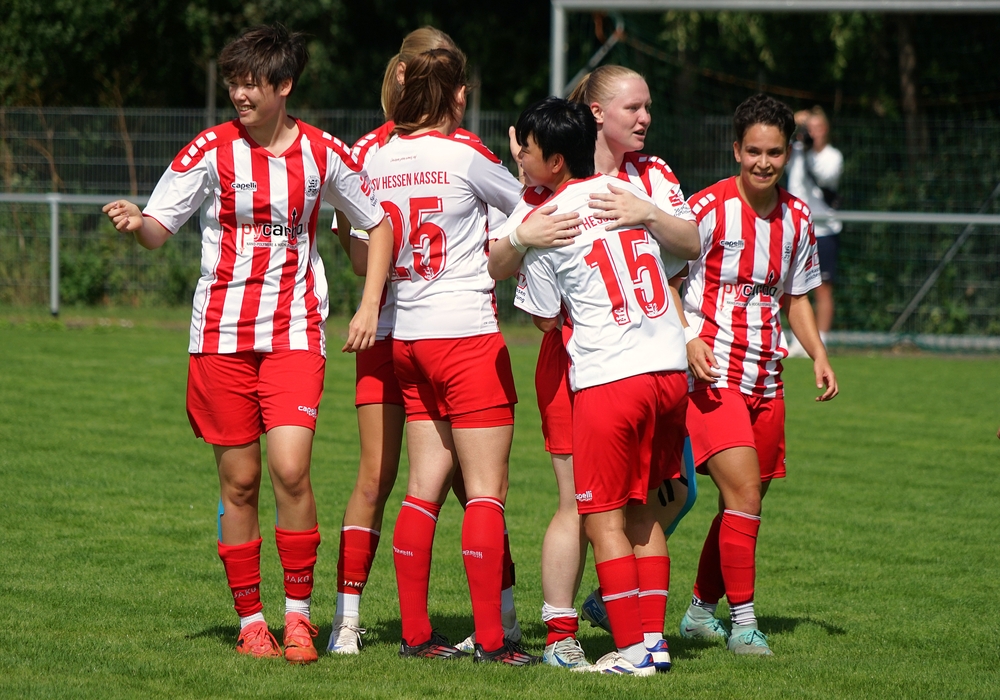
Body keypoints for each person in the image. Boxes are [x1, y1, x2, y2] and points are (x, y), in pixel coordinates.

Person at [102, 25, 392, 664]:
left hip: (294, 334)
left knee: (290, 469)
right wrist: (137, 222)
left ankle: (298, 619)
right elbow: (159, 228)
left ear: (284, 86)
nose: (239, 94)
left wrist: (370, 303)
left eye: (251, 83)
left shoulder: (323, 152)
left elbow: (378, 223)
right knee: (240, 481)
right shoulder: (210, 149)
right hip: (220, 338)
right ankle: (251, 622)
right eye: (233, 82)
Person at [490, 65, 700, 669]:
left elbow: (540, 315)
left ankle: (629, 647)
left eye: (528, 150)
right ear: (597, 117)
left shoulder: (565, 208)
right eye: (634, 107)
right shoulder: (596, 192)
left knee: (604, 511)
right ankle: (634, 641)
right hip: (661, 363)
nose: (645, 118)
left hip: (608, 370)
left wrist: (530, 240)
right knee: (625, 509)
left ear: (553, 157)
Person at [326, 25, 520, 658]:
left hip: (403, 332)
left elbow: (363, 250)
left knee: (423, 485)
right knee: (476, 489)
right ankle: (494, 636)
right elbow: (526, 217)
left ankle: (422, 630)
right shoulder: (463, 152)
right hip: (451, 331)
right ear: (455, 91)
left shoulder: (374, 157)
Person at [677, 93, 838, 656]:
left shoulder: (797, 217)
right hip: (713, 377)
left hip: (768, 378)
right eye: (753, 152)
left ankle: (700, 612)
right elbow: (665, 280)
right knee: (744, 493)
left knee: (741, 504)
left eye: (774, 152)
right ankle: (744, 624)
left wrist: (818, 353)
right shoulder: (705, 209)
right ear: (736, 150)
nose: (763, 163)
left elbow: (797, 297)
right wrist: (688, 337)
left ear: (787, 152)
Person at [786, 105, 843, 348]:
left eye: (818, 127)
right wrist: (791, 122)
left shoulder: (832, 156)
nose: (813, 132)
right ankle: (797, 340)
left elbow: (824, 177)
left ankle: (822, 340)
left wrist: (809, 151)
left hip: (823, 230)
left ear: (826, 129)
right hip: (795, 228)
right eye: (810, 128)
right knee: (793, 287)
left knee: (822, 288)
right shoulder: (795, 152)